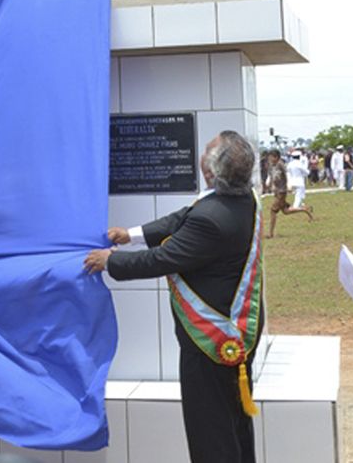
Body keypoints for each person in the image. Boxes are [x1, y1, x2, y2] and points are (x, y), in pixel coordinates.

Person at [85, 132, 262, 463]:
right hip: (233, 331)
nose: (203, 148)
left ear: (211, 170)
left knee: (211, 429)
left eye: (209, 148)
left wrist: (110, 260)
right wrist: (132, 235)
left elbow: (163, 259)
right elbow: (184, 216)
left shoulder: (213, 219)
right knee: (234, 422)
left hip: (211, 341)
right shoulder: (238, 200)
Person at [266, 149, 313, 238]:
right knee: (286, 211)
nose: (270, 159)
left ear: (276, 157)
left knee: (273, 210)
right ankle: (304, 209)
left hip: (282, 191)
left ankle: (271, 234)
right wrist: (269, 183)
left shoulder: (281, 164)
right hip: (277, 191)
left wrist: (289, 185)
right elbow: (271, 175)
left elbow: (287, 174)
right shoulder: (271, 165)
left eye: (271, 157)